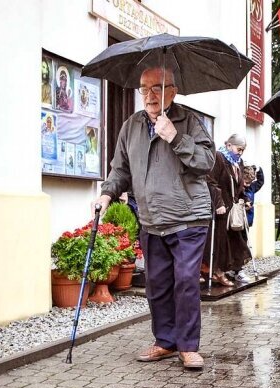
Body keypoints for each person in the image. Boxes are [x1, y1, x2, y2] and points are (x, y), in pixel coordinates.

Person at [93, 67, 214, 369]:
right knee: (157, 284)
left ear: (173, 91)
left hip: (188, 217)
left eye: (157, 88)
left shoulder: (189, 122)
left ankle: (188, 346)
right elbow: (121, 169)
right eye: (144, 89)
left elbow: (207, 162)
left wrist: (175, 138)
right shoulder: (131, 126)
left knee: (185, 281)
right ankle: (165, 341)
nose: (150, 95)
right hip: (152, 220)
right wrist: (107, 194)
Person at [202, 135, 252, 287]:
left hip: (233, 209)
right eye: (239, 149)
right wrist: (218, 203)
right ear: (229, 145)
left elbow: (239, 185)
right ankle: (217, 272)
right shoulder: (218, 157)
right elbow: (211, 181)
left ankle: (235, 270)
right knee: (219, 242)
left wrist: (245, 198)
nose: (240, 153)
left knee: (236, 241)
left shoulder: (238, 162)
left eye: (243, 150)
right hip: (221, 209)